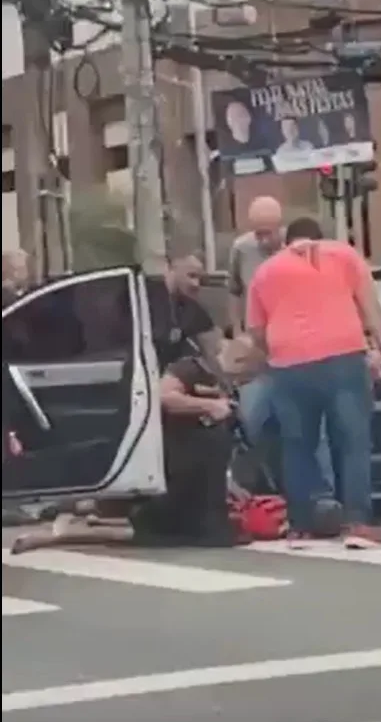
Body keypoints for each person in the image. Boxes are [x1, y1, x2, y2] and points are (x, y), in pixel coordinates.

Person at [246, 217, 381, 549]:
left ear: (288, 242)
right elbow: (371, 309)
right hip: (342, 356)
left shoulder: (266, 271)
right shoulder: (344, 256)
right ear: (320, 238)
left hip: (288, 363)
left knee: (297, 443)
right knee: (352, 440)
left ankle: (300, 527)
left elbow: (256, 331)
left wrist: (277, 349)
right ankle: (358, 524)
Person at [10, 355, 246, 553]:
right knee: (148, 531)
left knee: (202, 534)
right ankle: (61, 533)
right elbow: (163, 396)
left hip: (201, 484)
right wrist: (209, 406)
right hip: (176, 472)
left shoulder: (229, 386)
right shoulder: (194, 367)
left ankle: (71, 527)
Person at [228, 198, 335, 493]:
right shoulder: (242, 250)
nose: (263, 240)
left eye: (268, 233)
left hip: (298, 352)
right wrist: (240, 333)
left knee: (310, 427)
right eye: (257, 233)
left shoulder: (298, 252)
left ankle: (323, 493)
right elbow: (235, 291)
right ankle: (273, 484)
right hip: (260, 352)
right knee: (252, 419)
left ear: (281, 229)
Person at [146, 247, 221, 372]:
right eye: (191, 276)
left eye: (200, 279)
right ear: (171, 269)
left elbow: (213, 349)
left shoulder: (193, 308)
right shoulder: (145, 298)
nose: (196, 284)